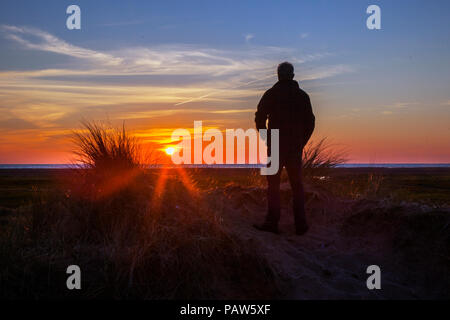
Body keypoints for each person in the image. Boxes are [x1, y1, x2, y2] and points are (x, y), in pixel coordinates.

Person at [254, 62, 315, 235]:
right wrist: (301, 141)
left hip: (277, 145)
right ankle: (301, 226)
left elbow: (259, 118)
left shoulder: (271, 94)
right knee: (297, 185)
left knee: (273, 185)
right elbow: (310, 122)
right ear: (293, 76)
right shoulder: (302, 96)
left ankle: (272, 223)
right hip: (294, 146)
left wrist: (268, 138)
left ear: (278, 75)